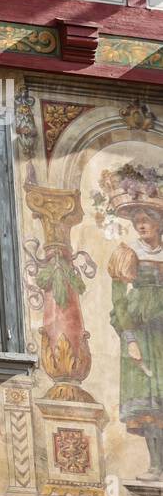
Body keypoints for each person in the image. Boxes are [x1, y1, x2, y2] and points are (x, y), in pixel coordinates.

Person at [108, 204, 163, 480]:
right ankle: (156, 466)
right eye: (137, 221)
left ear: (159, 223)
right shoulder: (128, 253)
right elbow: (118, 300)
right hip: (141, 331)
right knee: (149, 405)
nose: (141, 226)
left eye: (147, 220)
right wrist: (130, 339)